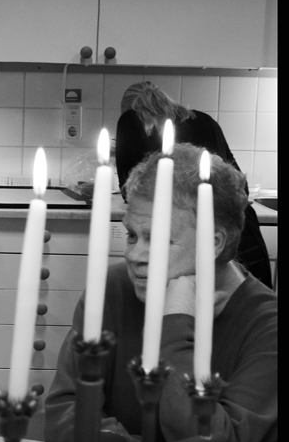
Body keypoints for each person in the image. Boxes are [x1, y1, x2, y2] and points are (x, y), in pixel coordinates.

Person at [45, 144, 277, 442]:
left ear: (214, 243)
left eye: (157, 239)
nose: (134, 255)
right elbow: (64, 411)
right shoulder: (114, 288)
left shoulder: (267, 327)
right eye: (132, 235)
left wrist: (174, 324)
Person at [115, 81, 272, 289]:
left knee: (178, 301)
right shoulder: (204, 120)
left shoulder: (129, 120)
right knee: (247, 301)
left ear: (128, 107)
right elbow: (239, 186)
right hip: (239, 231)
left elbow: (130, 191)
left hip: (175, 239)